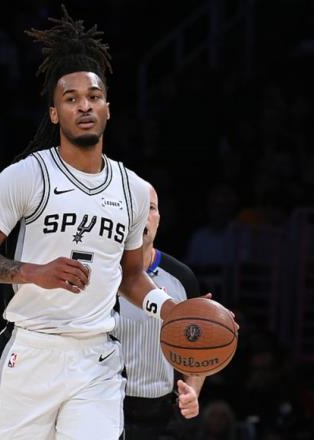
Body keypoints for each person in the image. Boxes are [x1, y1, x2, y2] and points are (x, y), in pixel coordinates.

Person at [0, 6, 185, 439]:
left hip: (96, 358)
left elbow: (131, 276)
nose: (84, 105)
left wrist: (169, 308)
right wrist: (32, 272)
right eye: (71, 98)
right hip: (31, 351)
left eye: (94, 96)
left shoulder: (134, 190)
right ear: (54, 113)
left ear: (108, 109)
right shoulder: (27, 175)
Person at [112, 183, 204, 439]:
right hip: (104, 404)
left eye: (150, 208)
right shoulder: (100, 273)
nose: (143, 216)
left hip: (163, 413)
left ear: (159, 218)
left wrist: (193, 390)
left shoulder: (182, 277)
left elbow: (197, 346)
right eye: (136, 208)